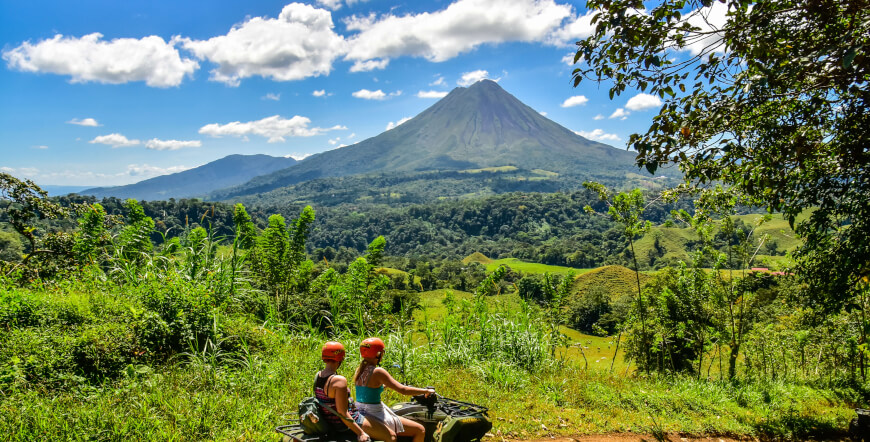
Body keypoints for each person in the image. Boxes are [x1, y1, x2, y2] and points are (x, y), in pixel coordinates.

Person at [353, 337, 435, 442]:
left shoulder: (360, 370)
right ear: (378, 354)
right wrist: (426, 391)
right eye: (382, 352)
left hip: (361, 411)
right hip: (375, 413)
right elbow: (403, 390)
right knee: (420, 430)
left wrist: (383, 386)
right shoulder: (378, 371)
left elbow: (368, 390)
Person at [316, 341, 374, 442]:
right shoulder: (338, 380)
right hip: (344, 424)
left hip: (329, 421)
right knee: (391, 435)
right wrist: (360, 433)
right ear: (341, 358)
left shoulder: (318, 375)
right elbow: (342, 412)